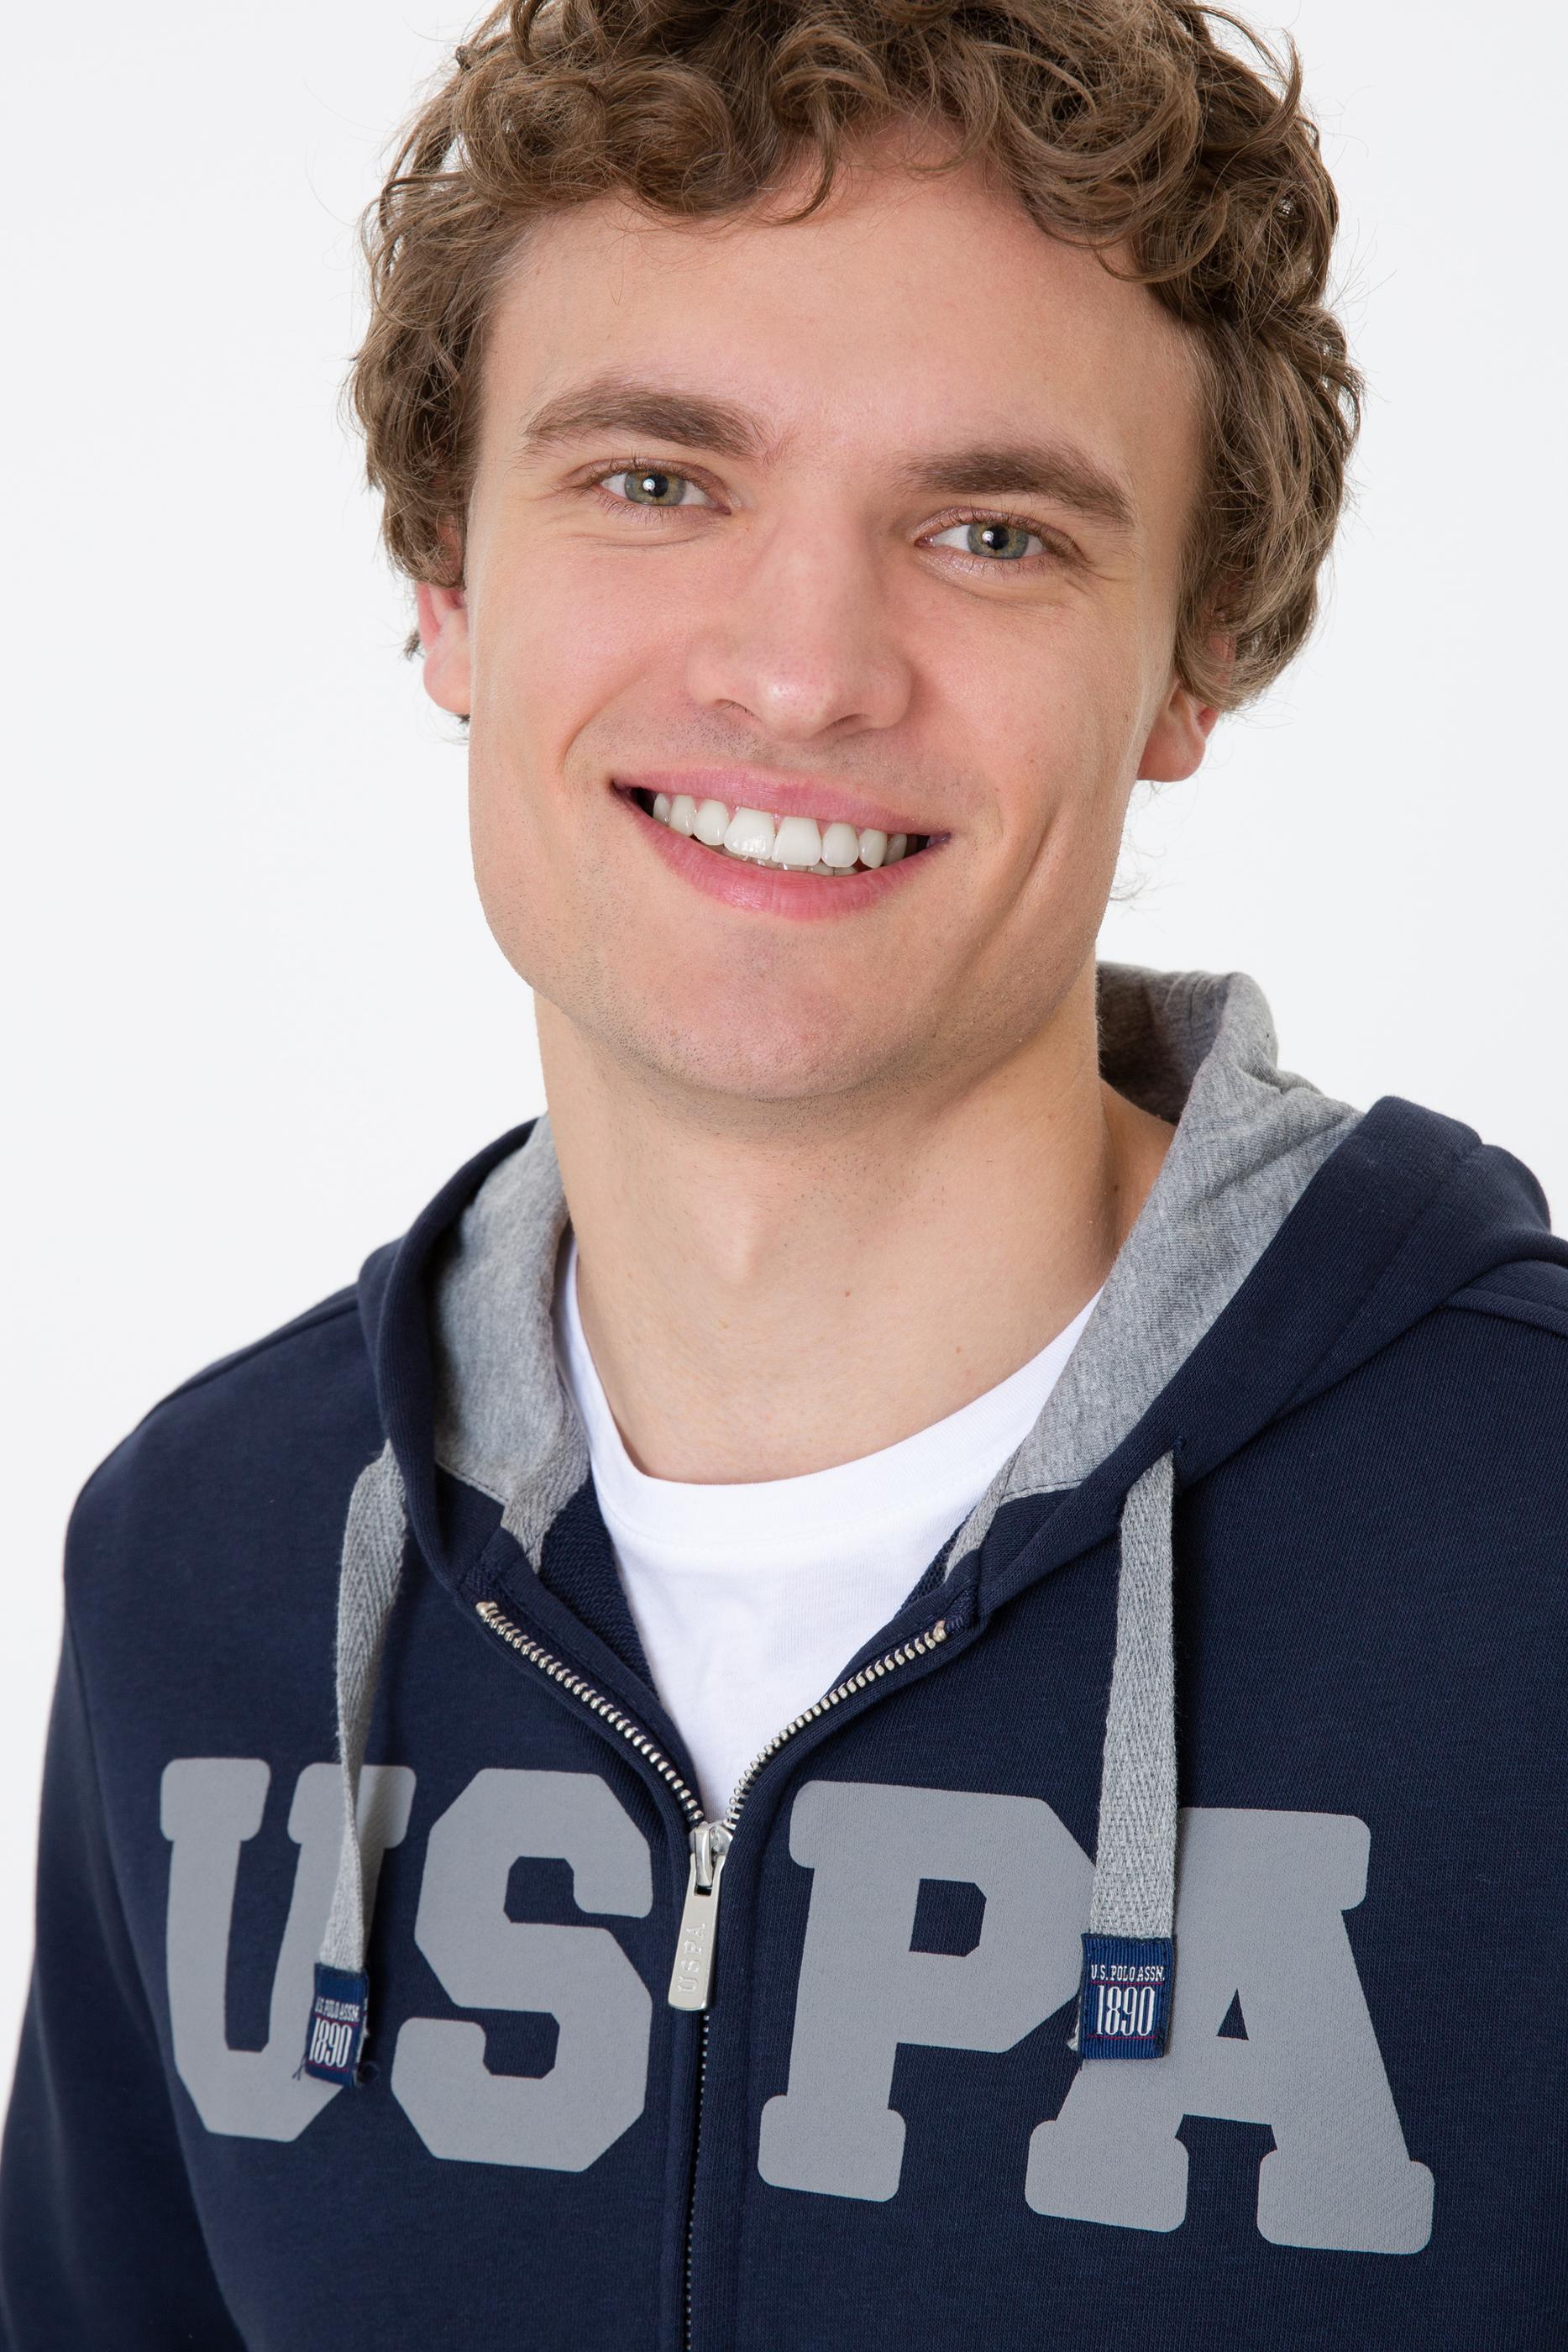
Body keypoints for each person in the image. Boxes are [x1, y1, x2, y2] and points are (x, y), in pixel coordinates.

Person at [3, 0, 1565, 2344]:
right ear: (446, 578)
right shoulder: (199, 1565)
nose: (804, 670)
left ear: (1192, 661)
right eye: (656, 482)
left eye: (990, 531)